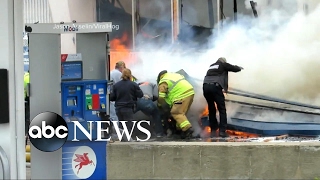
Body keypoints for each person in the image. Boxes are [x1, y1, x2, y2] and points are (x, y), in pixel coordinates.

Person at [203, 57, 243, 138]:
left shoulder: (211, 66)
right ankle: (222, 131)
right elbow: (234, 68)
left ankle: (213, 131)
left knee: (211, 109)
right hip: (215, 87)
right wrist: (239, 68)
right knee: (222, 109)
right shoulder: (223, 64)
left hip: (205, 87)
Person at [157, 70, 195, 139]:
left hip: (180, 97)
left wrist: (160, 104)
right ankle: (180, 131)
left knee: (176, 112)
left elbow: (161, 98)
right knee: (181, 114)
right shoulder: (174, 75)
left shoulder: (163, 81)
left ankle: (187, 129)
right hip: (190, 93)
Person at [110, 68, 143, 141]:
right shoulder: (133, 84)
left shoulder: (116, 85)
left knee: (121, 125)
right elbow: (140, 95)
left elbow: (112, 97)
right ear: (130, 75)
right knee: (128, 125)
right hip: (128, 108)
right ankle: (128, 142)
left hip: (118, 108)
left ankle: (122, 140)